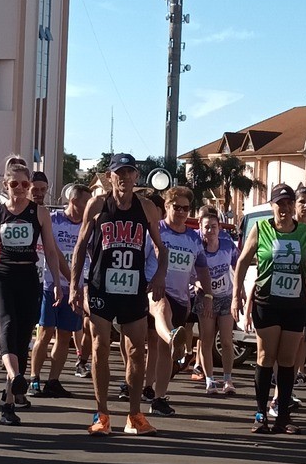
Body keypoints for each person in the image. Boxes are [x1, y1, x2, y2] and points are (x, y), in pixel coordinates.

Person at [70, 153, 166, 436]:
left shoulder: (147, 208)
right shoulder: (98, 205)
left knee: (137, 350)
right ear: (109, 177)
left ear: (137, 177)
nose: (124, 178)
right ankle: (102, 415)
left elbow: (162, 247)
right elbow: (80, 245)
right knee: (100, 347)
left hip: (133, 287)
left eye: (129, 173)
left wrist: (160, 275)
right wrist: (76, 285)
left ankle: (134, 416)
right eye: (118, 173)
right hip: (101, 285)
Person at [0, 164, 65, 424]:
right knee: (6, 323)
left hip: (28, 277)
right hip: (1, 276)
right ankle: (15, 376)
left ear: (29, 186)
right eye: (14, 184)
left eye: (24, 184)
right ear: (5, 186)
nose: (19, 189)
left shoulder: (39, 213)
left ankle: (8, 402)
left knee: (22, 338)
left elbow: (52, 252)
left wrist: (57, 281)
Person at [233, 184, 306, 435]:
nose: (284, 208)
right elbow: (242, 261)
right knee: (265, 357)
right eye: (279, 203)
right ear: (271, 206)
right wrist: (236, 295)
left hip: (295, 304)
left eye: (288, 203)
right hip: (267, 303)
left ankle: (283, 416)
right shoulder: (261, 228)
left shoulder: (304, 231)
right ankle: (260, 413)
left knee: (287, 361)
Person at [145, 185, 211, 415]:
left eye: (186, 208)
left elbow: (203, 270)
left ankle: (159, 397)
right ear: (166, 206)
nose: (182, 212)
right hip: (154, 290)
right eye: (177, 207)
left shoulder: (194, 238)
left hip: (183, 297)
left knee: (164, 354)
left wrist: (209, 295)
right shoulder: (155, 231)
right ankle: (173, 336)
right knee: (161, 305)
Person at [30, 181, 88, 397]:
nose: (88, 206)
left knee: (65, 335)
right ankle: (34, 378)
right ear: (73, 201)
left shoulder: (88, 225)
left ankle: (53, 380)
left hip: (76, 289)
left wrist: (82, 285)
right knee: (44, 333)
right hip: (52, 285)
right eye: (85, 202)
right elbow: (50, 249)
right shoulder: (53, 220)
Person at [195, 205, 238, 395]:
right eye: (207, 227)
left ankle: (228, 380)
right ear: (200, 228)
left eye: (214, 226)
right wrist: (199, 286)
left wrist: (239, 289)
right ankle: (210, 380)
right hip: (205, 298)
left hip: (225, 296)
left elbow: (238, 263)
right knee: (207, 340)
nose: (210, 231)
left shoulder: (227, 243)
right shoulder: (197, 247)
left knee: (227, 340)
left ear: (219, 228)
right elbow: (191, 272)